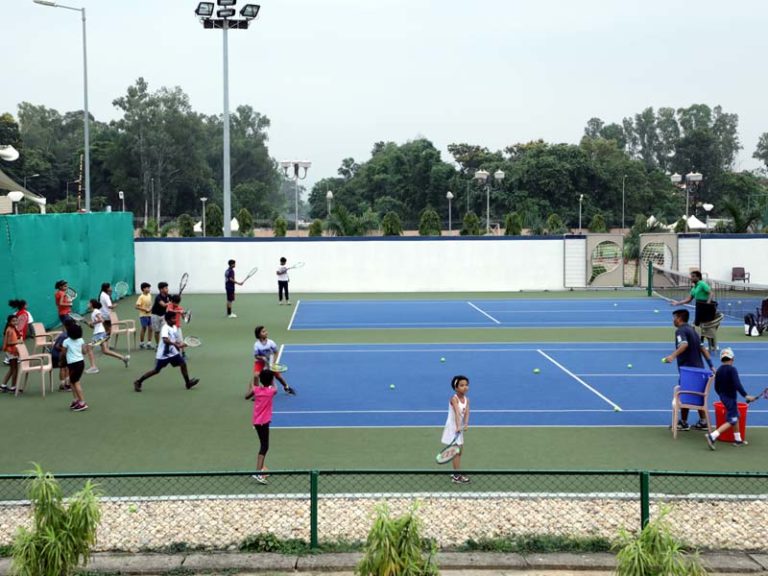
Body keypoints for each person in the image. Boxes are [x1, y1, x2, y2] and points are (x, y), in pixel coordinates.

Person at [664, 309, 714, 431]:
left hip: (688, 370)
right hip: (699, 369)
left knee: (685, 394)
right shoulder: (693, 330)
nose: (673, 320)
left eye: (674, 317)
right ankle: (703, 422)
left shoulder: (680, 331)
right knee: (697, 394)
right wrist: (711, 365)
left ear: (680, 318)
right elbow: (703, 349)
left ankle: (684, 422)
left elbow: (684, 345)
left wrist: (672, 356)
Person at [133, 311, 199, 392]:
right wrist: (176, 345)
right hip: (163, 354)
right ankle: (138, 382)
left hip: (173, 353)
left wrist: (182, 344)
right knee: (156, 371)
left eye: (175, 318)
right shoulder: (165, 328)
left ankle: (188, 383)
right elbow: (165, 340)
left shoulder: (174, 327)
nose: (175, 320)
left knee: (183, 364)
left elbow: (176, 341)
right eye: (173, 318)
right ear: (167, 320)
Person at [705, 348, 756, 449]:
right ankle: (712, 436)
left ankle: (738, 439)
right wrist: (746, 395)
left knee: (735, 416)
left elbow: (716, 387)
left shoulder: (719, 370)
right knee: (732, 420)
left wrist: (722, 395)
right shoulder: (732, 369)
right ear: (732, 358)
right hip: (730, 398)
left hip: (724, 397)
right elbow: (737, 384)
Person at [248, 369, 278, 485]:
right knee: (264, 447)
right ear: (270, 380)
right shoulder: (271, 392)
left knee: (263, 445)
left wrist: (254, 379)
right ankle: (258, 472)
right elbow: (275, 387)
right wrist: (274, 378)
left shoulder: (256, 390)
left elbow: (250, 392)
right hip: (263, 422)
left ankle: (261, 468)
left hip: (257, 422)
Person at [248, 325, 295, 397]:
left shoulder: (271, 342)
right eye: (263, 331)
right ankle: (257, 393)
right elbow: (256, 356)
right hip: (260, 363)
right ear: (258, 335)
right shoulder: (256, 345)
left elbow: (276, 352)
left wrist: (274, 362)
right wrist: (262, 358)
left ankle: (286, 387)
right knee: (256, 375)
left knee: (278, 376)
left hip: (270, 362)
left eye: (266, 331)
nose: (266, 332)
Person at [442, 375, 470, 484]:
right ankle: (456, 476)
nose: (465, 387)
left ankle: (456, 471)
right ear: (456, 388)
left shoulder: (467, 400)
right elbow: (458, 413)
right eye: (462, 385)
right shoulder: (454, 399)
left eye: (466, 385)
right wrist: (458, 426)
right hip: (453, 428)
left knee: (460, 451)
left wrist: (466, 423)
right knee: (456, 452)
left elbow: (467, 412)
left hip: (459, 427)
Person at [88, 299, 129, 368]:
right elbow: (96, 325)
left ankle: (93, 367)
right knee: (105, 351)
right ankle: (124, 358)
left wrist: (92, 323)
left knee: (89, 348)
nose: (88, 304)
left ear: (92, 304)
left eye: (89, 303)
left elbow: (101, 320)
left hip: (99, 333)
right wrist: (91, 324)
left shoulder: (96, 311)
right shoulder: (94, 312)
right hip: (101, 332)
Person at [61, 323, 88, 411]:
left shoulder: (66, 342)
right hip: (80, 363)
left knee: (75, 382)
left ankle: (82, 402)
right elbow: (84, 352)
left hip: (74, 364)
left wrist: (61, 361)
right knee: (72, 382)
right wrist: (86, 347)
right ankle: (76, 399)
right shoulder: (81, 340)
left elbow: (63, 353)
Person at [1, 315, 21, 393]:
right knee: (14, 369)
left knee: (13, 369)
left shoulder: (13, 329)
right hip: (10, 351)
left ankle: (3, 386)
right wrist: (18, 341)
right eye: (13, 321)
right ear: (9, 322)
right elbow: (9, 342)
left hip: (12, 351)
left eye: (16, 320)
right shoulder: (10, 330)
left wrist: (19, 337)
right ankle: (13, 387)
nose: (15, 322)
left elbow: (15, 338)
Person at [150, 282, 170, 347]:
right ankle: (157, 345)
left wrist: (177, 298)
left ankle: (164, 345)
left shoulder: (168, 296)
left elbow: (175, 300)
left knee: (165, 330)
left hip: (163, 316)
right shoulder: (158, 297)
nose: (167, 289)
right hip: (155, 315)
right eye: (166, 288)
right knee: (157, 332)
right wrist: (171, 302)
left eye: (167, 288)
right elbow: (163, 305)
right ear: (161, 290)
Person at [135, 282, 154, 349]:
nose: (149, 289)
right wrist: (145, 309)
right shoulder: (141, 297)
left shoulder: (149, 295)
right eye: (148, 288)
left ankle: (149, 343)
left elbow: (151, 304)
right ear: (143, 289)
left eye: (149, 288)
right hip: (143, 316)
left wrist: (150, 308)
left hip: (150, 315)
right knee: (144, 328)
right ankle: (141, 343)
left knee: (151, 328)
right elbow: (137, 306)